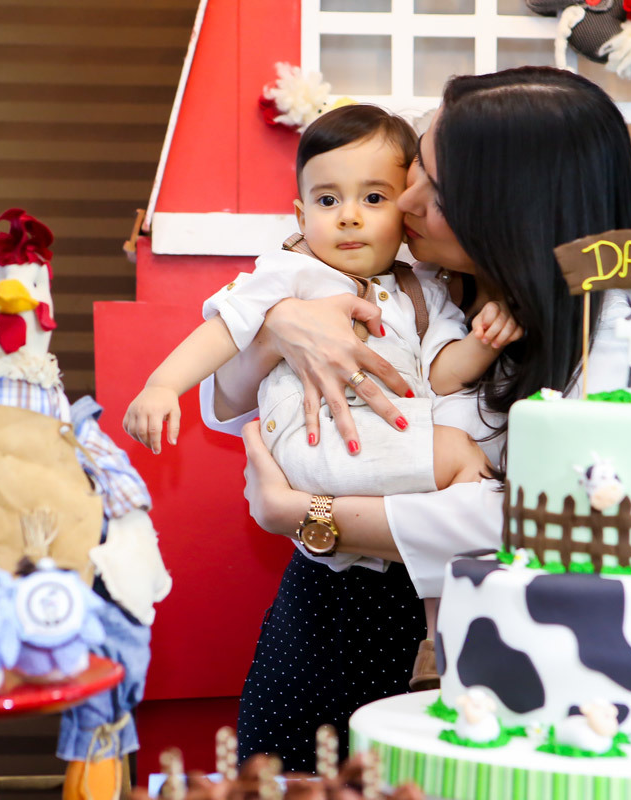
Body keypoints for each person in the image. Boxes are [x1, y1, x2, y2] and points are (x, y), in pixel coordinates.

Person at [201, 66, 631, 770]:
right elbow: (227, 403)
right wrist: (282, 326)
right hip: (326, 624)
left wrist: (313, 515)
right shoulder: (414, 270)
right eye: (417, 170)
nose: (407, 199)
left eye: (438, 187)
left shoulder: (611, 329)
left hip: (496, 650)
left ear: (512, 207)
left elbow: (547, 516)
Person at [122, 103, 522, 689]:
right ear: (301, 212)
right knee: (463, 461)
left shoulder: (422, 291)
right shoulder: (292, 274)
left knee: (450, 473)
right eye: (328, 200)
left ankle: (435, 644)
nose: (349, 217)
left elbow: (441, 375)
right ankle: (442, 641)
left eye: (374, 198)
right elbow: (225, 329)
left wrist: (484, 341)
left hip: (376, 453)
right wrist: (163, 384)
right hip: (323, 440)